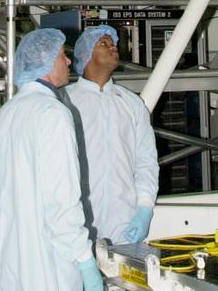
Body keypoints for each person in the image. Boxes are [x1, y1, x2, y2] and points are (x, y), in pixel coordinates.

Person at [0, 27, 104, 291]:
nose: (67, 61)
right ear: (46, 62)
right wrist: (83, 258)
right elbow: (61, 201)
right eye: (63, 54)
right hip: (46, 263)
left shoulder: (1, 118)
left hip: (7, 258)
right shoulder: (53, 115)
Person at [65, 25, 158, 246]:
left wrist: (144, 208)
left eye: (113, 44)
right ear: (85, 56)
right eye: (103, 44)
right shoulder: (65, 102)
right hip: (77, 219)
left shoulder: (131, 103)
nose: (113, 48)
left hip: (124, 220)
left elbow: (146, 160)